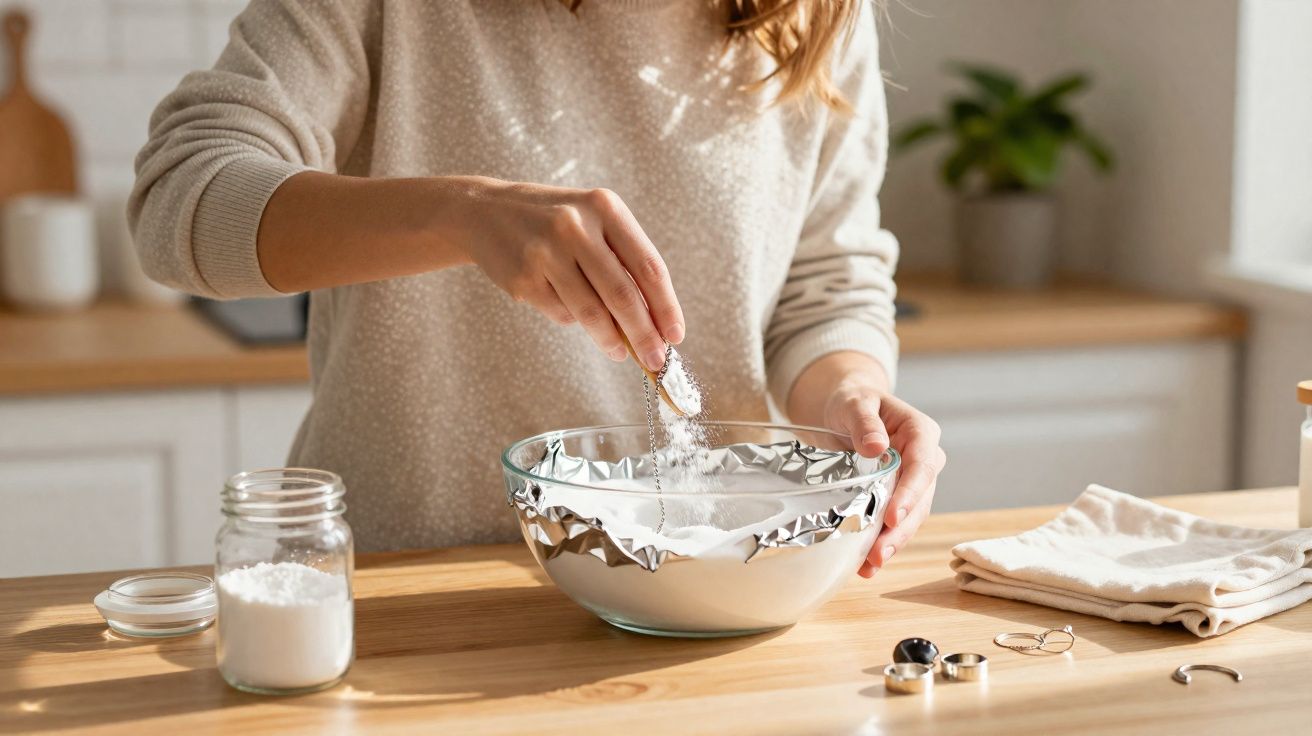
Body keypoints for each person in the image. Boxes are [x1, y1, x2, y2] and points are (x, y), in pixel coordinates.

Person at [130, 0, 945, 578]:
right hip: (404, 587)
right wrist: (463, 215)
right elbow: (181, 200)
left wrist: (849, 393)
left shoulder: (813, 16)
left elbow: (824, 279)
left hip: (704, 591)